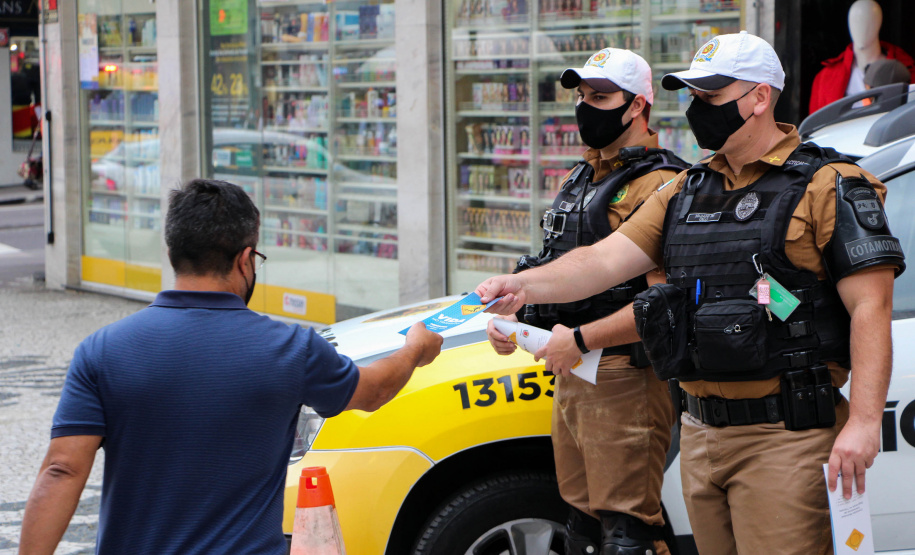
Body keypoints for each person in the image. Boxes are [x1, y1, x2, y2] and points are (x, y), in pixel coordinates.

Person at [477, 31, 905, 554]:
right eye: (693, 97)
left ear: (759, 97)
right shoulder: (684, 189)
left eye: (711, 97)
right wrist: (519, 285)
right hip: (701, 433)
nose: (697, 109)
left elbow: (871, 307)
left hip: (785, 435)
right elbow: (605, 260)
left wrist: (863, 424)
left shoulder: (828, 184)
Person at [18, 179, 443, 555]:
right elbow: (376, 390)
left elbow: (62, 469)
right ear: (245, 260)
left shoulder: (102, 351)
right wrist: (415, 349)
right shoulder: (292, 349)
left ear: (173, 252)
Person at [487, 47, 686, 555]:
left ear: (639, 105)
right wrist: (515, 315)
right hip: (572, 370)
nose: (585, 107)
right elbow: (558, 265)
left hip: (624, 374)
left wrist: (581, 339)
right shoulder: (583, 177)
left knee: (628, 531)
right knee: (582, 525)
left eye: (600, 97)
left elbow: (665, 306)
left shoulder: (660, 184)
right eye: (581, 96)